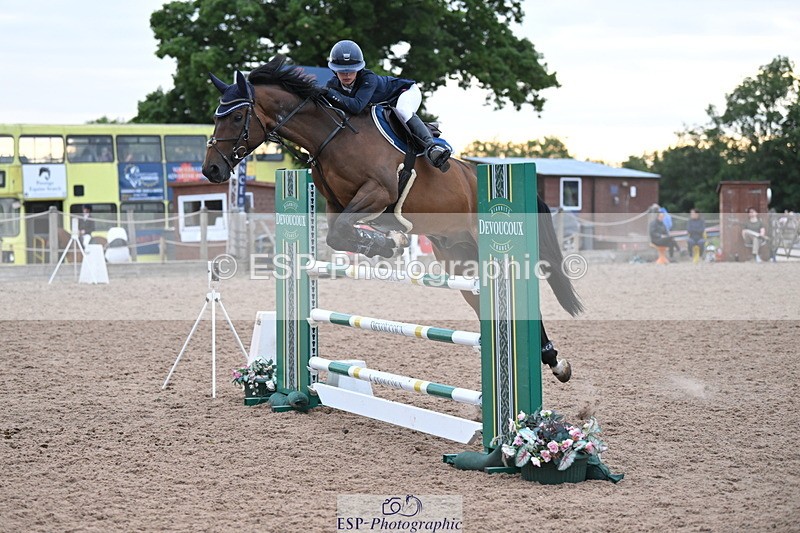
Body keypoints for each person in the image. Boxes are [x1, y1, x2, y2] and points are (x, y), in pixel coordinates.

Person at [323, 39, 451, 171]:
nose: (347, 74)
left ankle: (432, 148)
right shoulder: (332, 85)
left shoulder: (368, 78)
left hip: (405, 93)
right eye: (342, 71)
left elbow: (356, 107)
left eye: (351, 70)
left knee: (403, 110)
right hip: (386, 105)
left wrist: (328, 93)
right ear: (334, 71)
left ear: (359, 68)